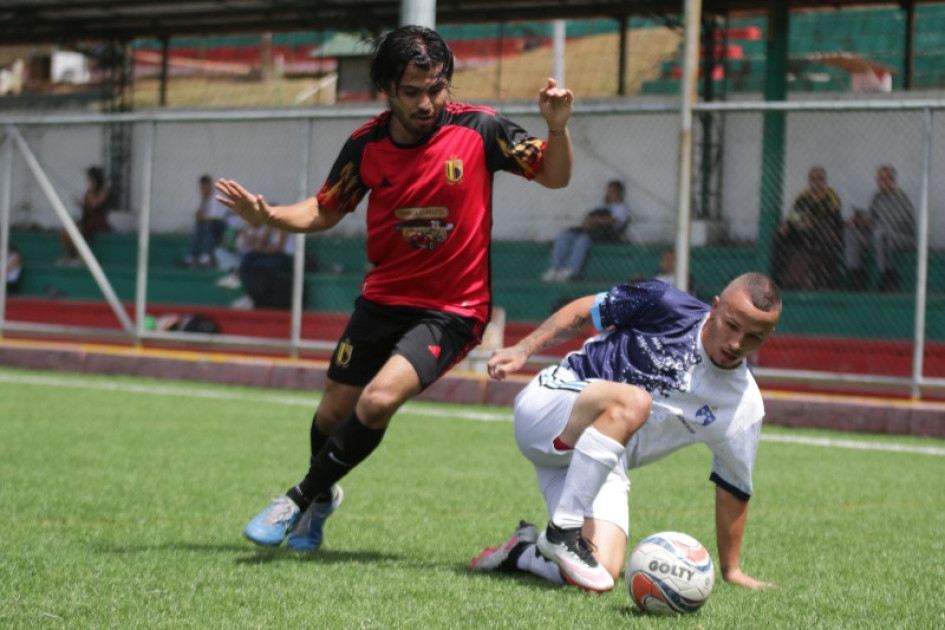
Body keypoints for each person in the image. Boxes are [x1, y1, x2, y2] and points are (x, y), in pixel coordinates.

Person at [214, 25, 574, 551]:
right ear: (386, 88)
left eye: (436, 88)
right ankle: (323, 498)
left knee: (378, 400)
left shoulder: (482, 128)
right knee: (332, 413)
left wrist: (557, 129)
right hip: (381, 300)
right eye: (412, 92)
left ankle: (297, 499)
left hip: (453, 310)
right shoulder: (366, 144)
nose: (427, 103)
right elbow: (325, 209)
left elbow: (555, 176)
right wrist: (269, 216)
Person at [468, 273, 781, 593]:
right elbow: (586, 310)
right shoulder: (666, 304)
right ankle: (562, 532)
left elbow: (733, 485)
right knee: (635, 401)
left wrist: (731, 569)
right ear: (715, 308)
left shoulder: (742, 406)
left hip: (597, 464)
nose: (737, 343)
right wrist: (524, 348)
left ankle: (522, 552)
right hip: (553, 410)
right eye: (732, 325)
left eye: (753, 337)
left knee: (601, 569)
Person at [844, 165, 916, 292]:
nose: (883, 182)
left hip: (902, 237)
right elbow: (871, 216)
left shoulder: (901, 198)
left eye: (887, 179)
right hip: (879, 235)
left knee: (880, 233)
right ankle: (856, 274)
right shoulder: (877, 197)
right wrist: (858, 219)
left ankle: (887, 275)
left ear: (893, 180)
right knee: (851, 232)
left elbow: (892, 224)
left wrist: (869, 222)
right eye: (880, 179)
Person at [770, 166, 843, 289]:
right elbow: (794, 216)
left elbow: (834, 219)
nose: (816, 182)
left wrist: (813, 224)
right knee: (781, 235)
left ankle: (823, 282)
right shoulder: (802, 197)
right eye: (812, 179)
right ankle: (778, 278)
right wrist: (787, 225)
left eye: (819, 179)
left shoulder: (831, 197)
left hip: (822, 232)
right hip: (803, 231)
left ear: (824, 181)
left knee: (825, 233)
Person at [542, 180, 629, 282]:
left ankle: (571, 271)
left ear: (619, 193)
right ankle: (556, 269)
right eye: (608, 191)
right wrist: (588, 222)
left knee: (582, 241)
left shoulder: (621, 208)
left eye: (612, 191)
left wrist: (596, 220)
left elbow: (613, 220)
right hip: (589, 230)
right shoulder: (601, 205)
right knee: (564, 237)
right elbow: (588, 217)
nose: (609, 193)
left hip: (604, 234)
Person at [230, 223, 295, 310]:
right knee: (249, 257)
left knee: (258, 265)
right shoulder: (271, 226)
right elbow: (262, 243)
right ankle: (239, 282)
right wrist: (251, 237)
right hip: (271, 255)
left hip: (285, 257)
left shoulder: (284, 227)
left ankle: (251, 297)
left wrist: (264, 251)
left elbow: (279, 248)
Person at [59, 166, 110, 264]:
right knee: (64, 231)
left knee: (77, 232)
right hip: (86, 220)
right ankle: (69, 255)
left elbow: (94, 204)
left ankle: (81, 257)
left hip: (97, 222)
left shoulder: (103, 190)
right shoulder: (89, 192)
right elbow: (87, 206)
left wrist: (92, 191)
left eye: (90, 179)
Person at [184, 174, 229, 268]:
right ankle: (193, 256)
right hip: (207, 224)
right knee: (199, 226)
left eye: (206, 186)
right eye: (202, 187)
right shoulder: (200, 197)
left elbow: (215, 218)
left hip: (222, 225)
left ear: (210, 185)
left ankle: (207, 255)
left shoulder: (217, 196)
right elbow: (196, 216)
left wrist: (202, 218)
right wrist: (203, 201)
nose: (204, 189)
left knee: (208, 226)